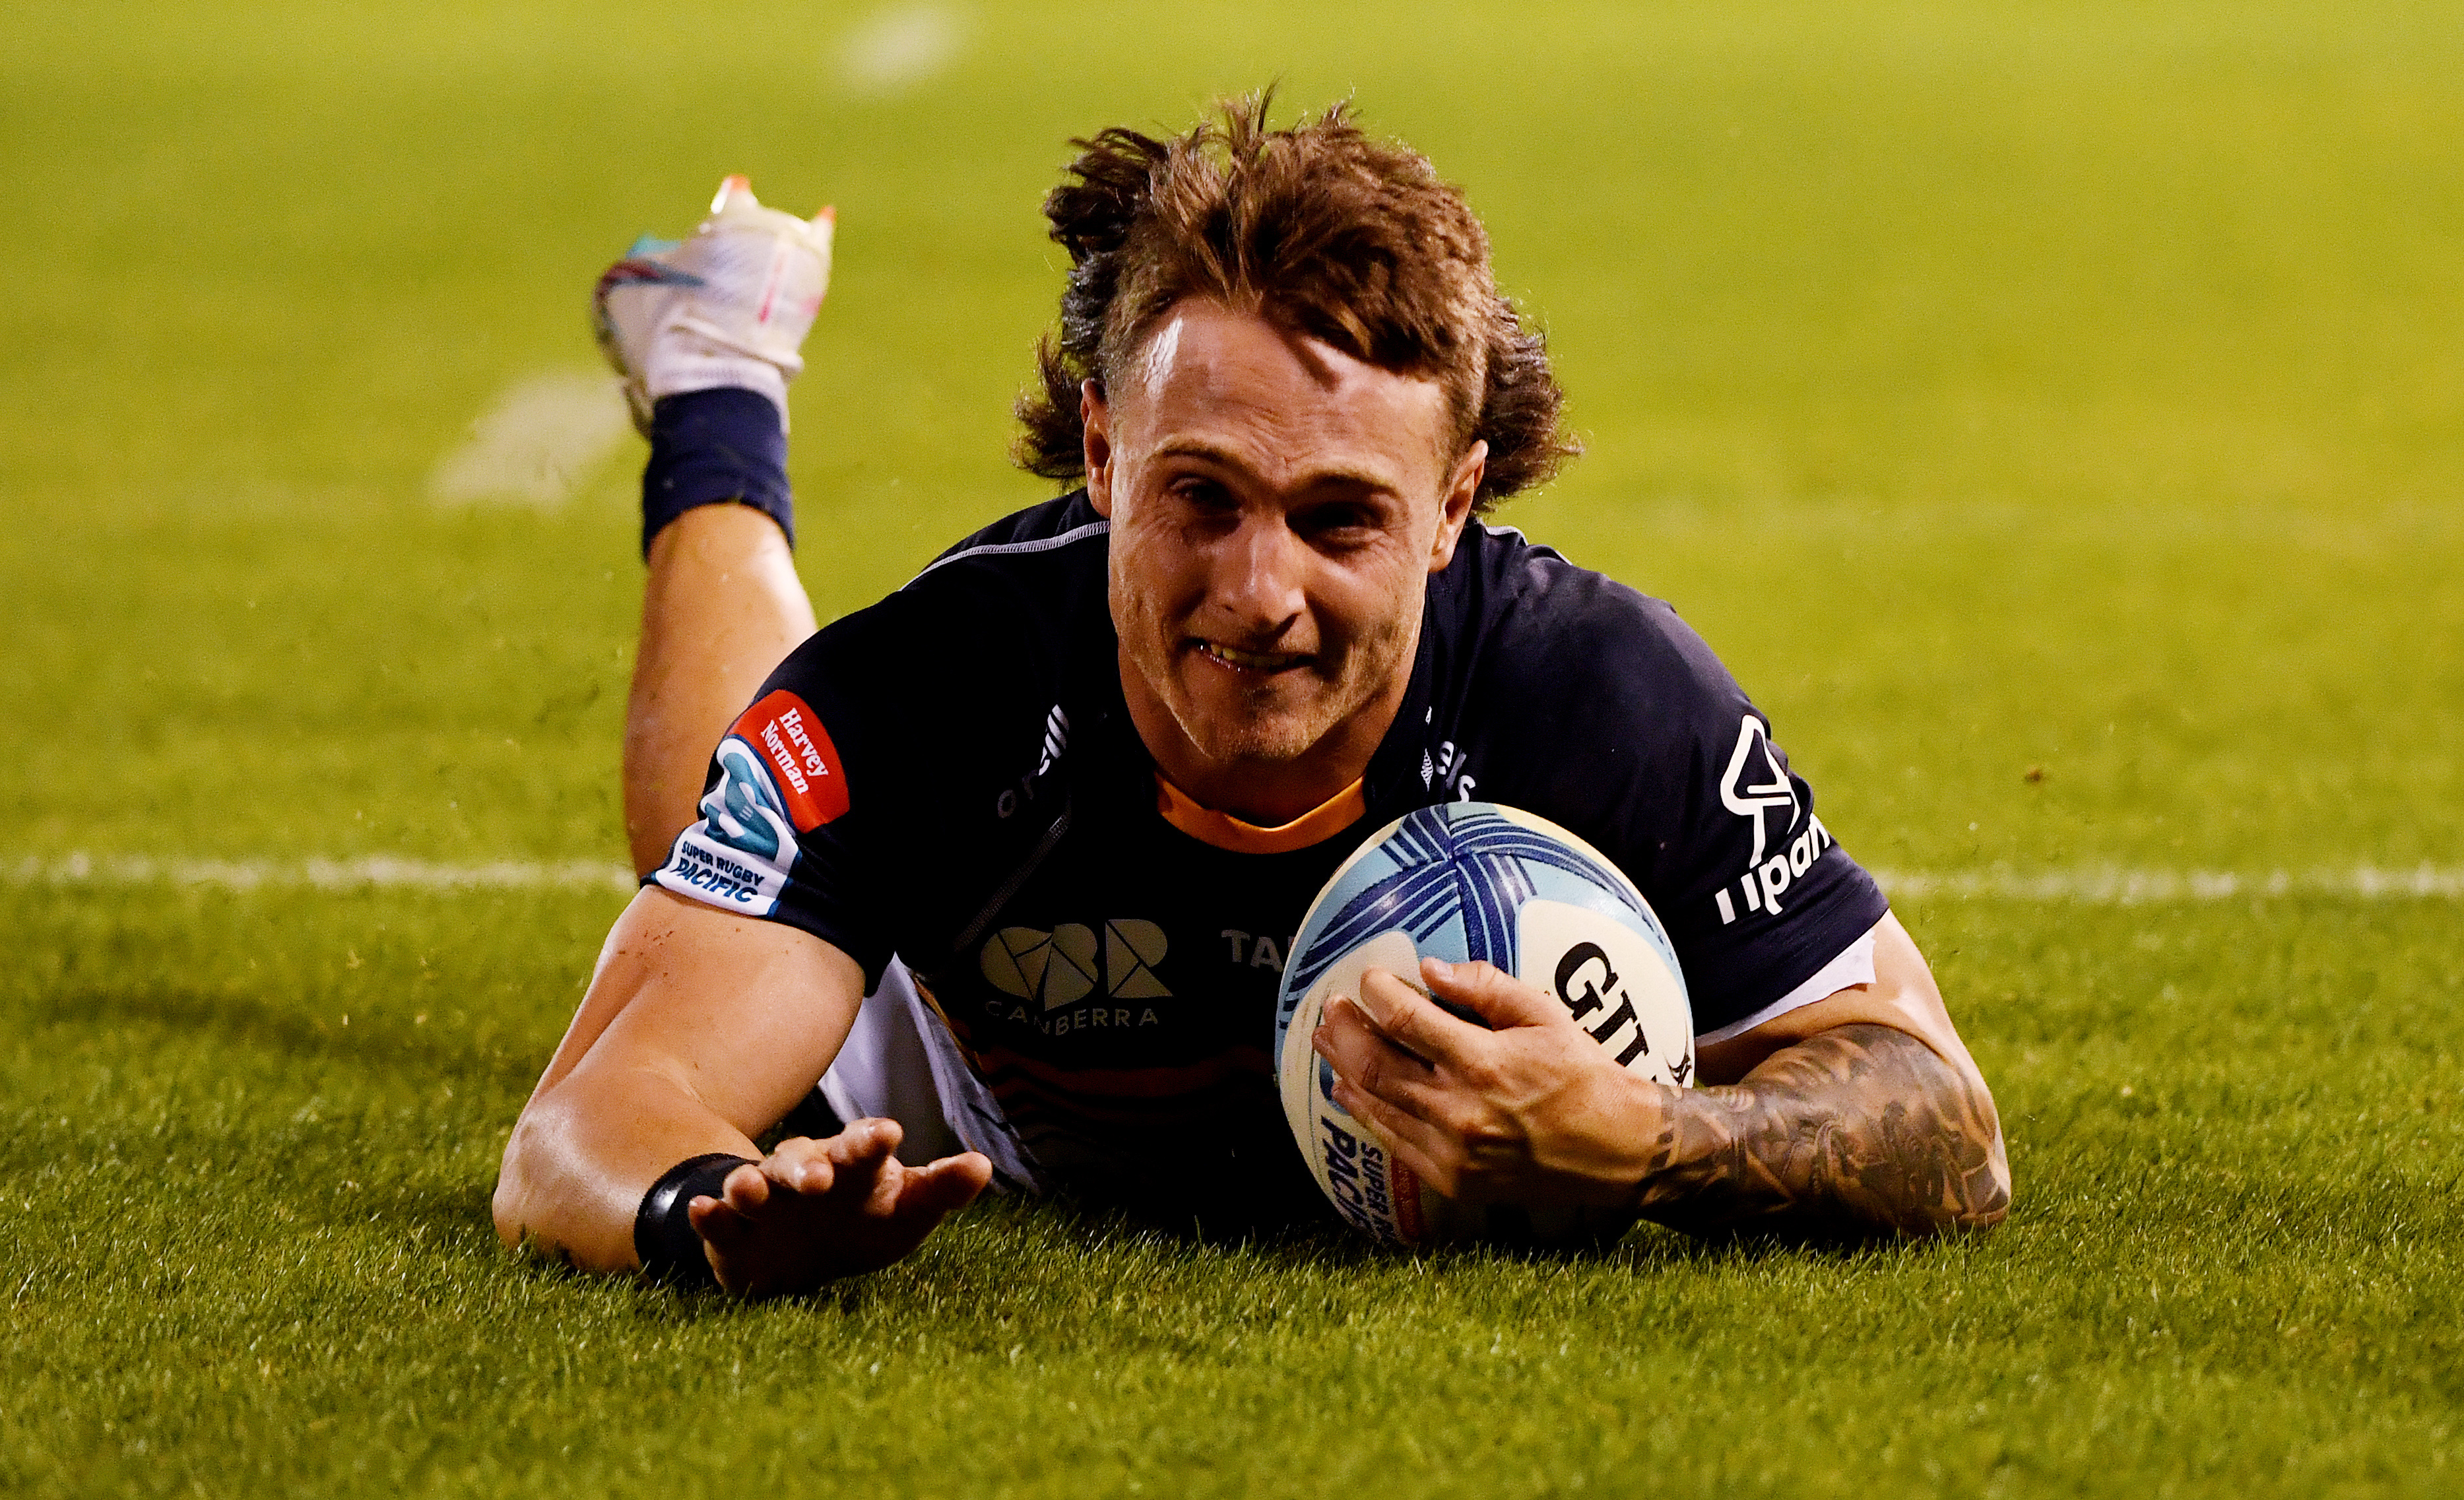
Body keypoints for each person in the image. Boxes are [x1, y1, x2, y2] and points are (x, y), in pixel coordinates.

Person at [492, 98, 2011, 1297]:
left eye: (1338, 517)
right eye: (1199, 495)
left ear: (1453, 503)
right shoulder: (942, 687)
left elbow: (1942, 1114)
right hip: (951, 1097)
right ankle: (716, 377)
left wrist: (1648, 1137)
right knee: (717, 787)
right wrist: (704, 1210)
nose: (1258, 590)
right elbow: (584, 1122)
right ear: (1099, 457)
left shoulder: (1594, 697)